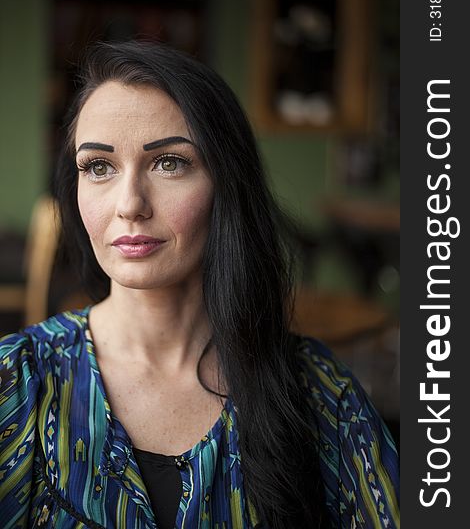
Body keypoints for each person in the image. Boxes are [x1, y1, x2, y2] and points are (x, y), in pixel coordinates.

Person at [0, 41, 399, 528]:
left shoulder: (321, 396)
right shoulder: (16, 383)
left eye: (169, 162)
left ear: (226, 185)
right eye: (98, 167)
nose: (130, 204)